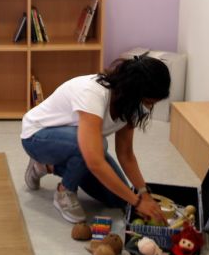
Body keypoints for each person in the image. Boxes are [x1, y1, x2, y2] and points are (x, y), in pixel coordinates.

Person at [21, 54, 170, 224]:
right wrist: (137, 202)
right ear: (134, 92)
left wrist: (144, 194)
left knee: (118, 199)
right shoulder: (93, 94)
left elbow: (126, 154)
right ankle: (64, 191)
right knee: (98, 146)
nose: (149, 107)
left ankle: (46, 166)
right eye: (148, 102)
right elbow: (94, 160)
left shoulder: (129, 103)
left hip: (74, 143)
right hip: (36, 137)